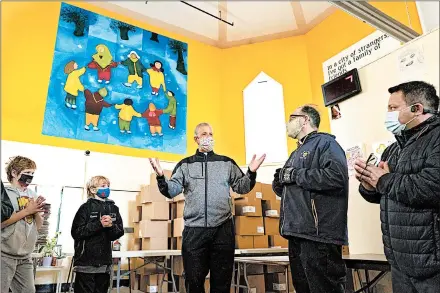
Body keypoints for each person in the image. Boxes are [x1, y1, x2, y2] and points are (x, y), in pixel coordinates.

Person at [149, 122, 266, 293]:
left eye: (210, 134)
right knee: (194, 281)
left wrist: (251, 172)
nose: (208, 137)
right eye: (204, 134)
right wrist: (161, 177)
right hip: (194, 232)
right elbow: (171, 190)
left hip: (222, 230)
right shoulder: (185, 165)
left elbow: (241, 187)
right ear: (196, 139)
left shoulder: (226, 163)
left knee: (222, 282)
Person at [354, 81, 440, 292]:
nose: (388, 113)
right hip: (400, 261)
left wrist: (383, 180)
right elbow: (386, 194)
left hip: (432, 263)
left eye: (393, 108)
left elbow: (432, 187)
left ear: (417, 109)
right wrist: (369, 185)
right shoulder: (393, 148)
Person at [272, 105, 349, 293]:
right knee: (303, 288)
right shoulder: (296, 152)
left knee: (323, 288)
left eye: (292, 117)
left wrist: (296, 175)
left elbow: (336, 177)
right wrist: (279, 180)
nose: (288, 123)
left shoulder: (325, 144)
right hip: (296, 232)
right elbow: (289, 189)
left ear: (305, 120)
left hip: (318, 235)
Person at [71, 175, 124, 293]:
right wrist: (99, 224)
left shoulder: (114, 208)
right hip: (86, 265)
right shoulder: (85, 208)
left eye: (108, 186)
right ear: (93, 189)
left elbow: (119, 232)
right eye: (103, 186)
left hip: (104, 264)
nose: (107, 188)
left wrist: (111, 226)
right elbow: (76, 233)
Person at [1, 156, 46, 293]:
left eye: (32, 173)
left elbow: (37, 226)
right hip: (4, 254)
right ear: (14, 173)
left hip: (25, 256)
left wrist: (37, 212)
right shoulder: (4, 194)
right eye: (27, 172)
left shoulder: (32, 194)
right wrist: (27, 211)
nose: (30, 176)